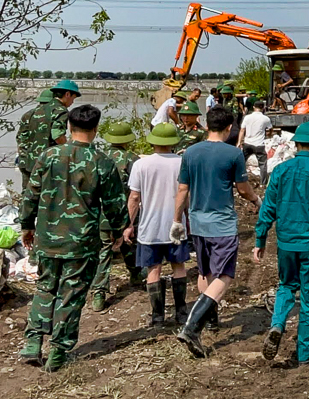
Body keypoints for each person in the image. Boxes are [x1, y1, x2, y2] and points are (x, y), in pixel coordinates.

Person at [19, 104, 128, 371]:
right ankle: (58, 352)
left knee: (45, 287)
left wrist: (26, 226)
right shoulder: (103, 162)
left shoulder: (48, 156)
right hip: (82, 243)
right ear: (95, 129)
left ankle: (32, 342)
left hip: (48, 238)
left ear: (69, 126)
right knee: (71, 294)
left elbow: (31, 194)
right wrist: (118, 232)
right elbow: (115, 205)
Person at [173, 105, 261, 358]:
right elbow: (243, 189)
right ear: (229, 128)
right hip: (221, 223)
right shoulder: (232, 155)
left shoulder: (190, 152)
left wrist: (176, 219)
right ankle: (192, 327)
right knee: (225, 275)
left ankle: (211, 320)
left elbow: (182, 189)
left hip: (197, 222)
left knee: (205, 271)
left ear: (206, 125)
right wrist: (256, 201)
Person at [254, 122, 309, 365]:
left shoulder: (281, 171)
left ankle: (278, 324)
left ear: (295, 144)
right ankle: (305, 351)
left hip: (285, 243)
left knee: (286, 286)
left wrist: (260, 238)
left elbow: (268, 207)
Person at [124, 123, 189, 326]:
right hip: (176, 225)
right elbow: (186, 195)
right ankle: (181, 312)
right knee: (179, 266)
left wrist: (129, 224)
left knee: (154, 269)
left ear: (152, 141)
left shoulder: (141, 165)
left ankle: (157, 316)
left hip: (149, 227)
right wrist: (188, 219)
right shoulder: (182, 163)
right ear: (174, 142)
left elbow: (134, 197)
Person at [89, 122, 145, 310]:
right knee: (129, 244)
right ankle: (136, 275)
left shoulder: (98, 157)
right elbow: (137, 190)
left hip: (101, 214)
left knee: (103, 252)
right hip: (125, 211)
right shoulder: (133, 159)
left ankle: (99, 292)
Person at [16, 80, 79, 194]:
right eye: (73, 98)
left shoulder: (32, 112)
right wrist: (69, 150)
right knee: (48, 197)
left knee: (28, 196)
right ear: (67, 94)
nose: (72, 102)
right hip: (47, 164)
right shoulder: (60, 110)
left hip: (26, 161)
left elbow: (20, 139)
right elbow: (57, 135)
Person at [238, 99, 273, 188]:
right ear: (263, 108)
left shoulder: (247, 117)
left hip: (247, 143)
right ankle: (263, 183)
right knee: (262, 164)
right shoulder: (266, 119)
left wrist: (239, 142)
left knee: (242, 162)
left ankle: (239, 180)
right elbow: (270, 129)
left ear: (254, 107)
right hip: (259, 144)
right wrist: (269, 134)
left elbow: (242, 130)